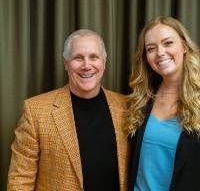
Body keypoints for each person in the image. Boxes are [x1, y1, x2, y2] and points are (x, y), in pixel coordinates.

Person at [7, 29, 129, 191]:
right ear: (66, 64)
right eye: (78, 58)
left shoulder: (126, 106)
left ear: (104, 63)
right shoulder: (36, 111)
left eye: (94, 57)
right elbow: (20, 179)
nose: (87, 65)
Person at [127, 16, 200, 191]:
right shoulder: (141, 99)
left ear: (183, 46)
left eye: (167, 43)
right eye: (151, 48)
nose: (160, 53)